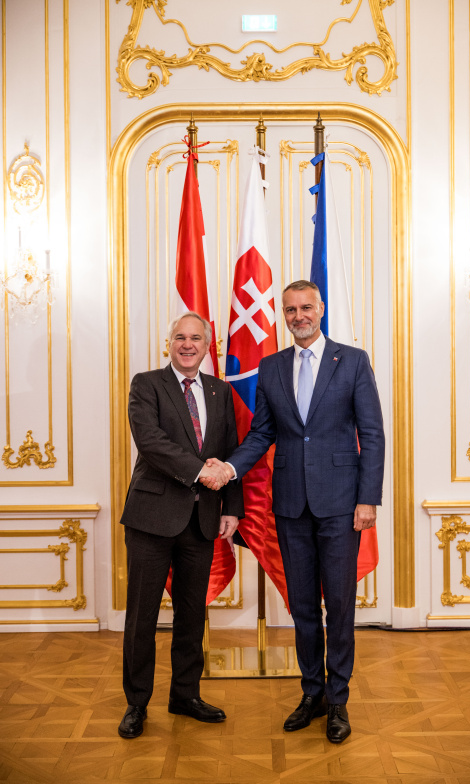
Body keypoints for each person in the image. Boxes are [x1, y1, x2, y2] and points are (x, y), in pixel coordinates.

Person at [203, 280, 385, 744]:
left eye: (306, 307)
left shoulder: (354, 360)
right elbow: (262, 435)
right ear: (283, 315)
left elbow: (373, 434)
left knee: (339, 606)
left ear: (320, 309)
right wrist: (228, 467)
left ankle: (339, 701)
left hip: (343, 505)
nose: (298, 316)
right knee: (303, 607)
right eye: (290, 310)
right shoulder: (271, 366)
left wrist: (368, 499)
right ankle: (313, 694)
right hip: (290, 506)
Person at [118, 312, 244, 739]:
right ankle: (137, 703)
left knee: (193, 614)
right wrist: (200, 472)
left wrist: (232, 506)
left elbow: (230, 452)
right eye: (179, 337)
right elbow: (151, 442)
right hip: (152, 518)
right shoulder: (147, 383)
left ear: (207, 346)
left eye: (195, 338)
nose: (187, 344)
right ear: (168, 342)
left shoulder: (220, 391)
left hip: (203, 519)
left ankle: (185, 694)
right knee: (142, 616)